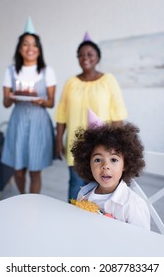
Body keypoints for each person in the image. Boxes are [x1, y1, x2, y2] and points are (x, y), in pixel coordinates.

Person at [54, 33, 128, 201]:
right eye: (81, 55)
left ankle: (98, 219)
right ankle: (72, 218)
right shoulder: (71, 83)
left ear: (97, 57)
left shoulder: (108, 80)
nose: (85, 58)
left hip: (103, 146)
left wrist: (116, 146)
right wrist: (58, 140)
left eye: (89, 54)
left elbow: (117, 115)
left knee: (102, 185)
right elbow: (61, 114)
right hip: (75, 144)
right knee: (75, 183)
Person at [1, 17, 57, 194]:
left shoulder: (47, 71)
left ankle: (32, 203)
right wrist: (11, 97)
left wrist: (41, 101)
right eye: (25, 44)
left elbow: (50, 102)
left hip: (38, 122)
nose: (30, 48)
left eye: (34, 44)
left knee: (34, 170)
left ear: (39, 49)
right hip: (18, 122)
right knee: (18, 170)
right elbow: (6, 103)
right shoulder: (10, 71)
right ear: (19, 48)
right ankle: (22, 197)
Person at [71, 111, 150, 230]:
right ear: (88, 163)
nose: (105, 166)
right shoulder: (84, 195)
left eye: (113, 159)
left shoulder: (132, 205)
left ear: (126, 164)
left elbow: (142, 242)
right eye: (98, 160)